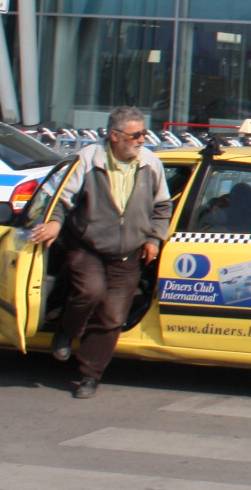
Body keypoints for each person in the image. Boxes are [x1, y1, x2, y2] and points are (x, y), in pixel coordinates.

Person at [29, 107, 172, 399]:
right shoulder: (87, 159)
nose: (142, 140)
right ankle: (66, 331)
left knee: (113, 316)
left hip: (129, 252)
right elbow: (61, 199)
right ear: (114, 135)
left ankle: (89, 375)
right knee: (90, 292)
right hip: (88, 246)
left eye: (144, 133)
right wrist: (54, 223)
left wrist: (154, 239)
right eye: (135, 135)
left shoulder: (150, 162)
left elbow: (162, 206)